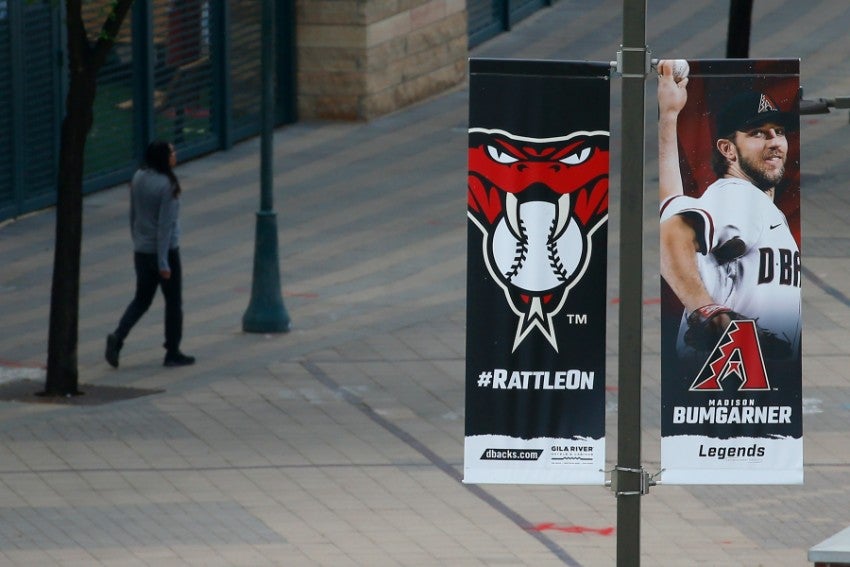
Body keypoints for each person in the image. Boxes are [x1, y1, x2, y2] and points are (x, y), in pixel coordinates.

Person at [656, 60, 801, 360]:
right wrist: (706, 311)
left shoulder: (750, 203)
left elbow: (670, 207)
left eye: (778, 131)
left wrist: (669, 117)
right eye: (758, 133)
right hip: (730, 384)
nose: (775, 142)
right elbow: (673, 233)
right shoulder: (740, 197)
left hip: (728, 385)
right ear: (727, 149)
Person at [106, 141, 195, 368]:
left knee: (141, 299)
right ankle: (172, 351)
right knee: (173, 303)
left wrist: (137, 242)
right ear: (163, 158)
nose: (176, 155)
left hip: (142, 250)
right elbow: (165, 227)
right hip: (165, 253)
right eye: (172, 152)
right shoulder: (168, 185)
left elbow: (133, 215)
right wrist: (164, 262)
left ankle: (118, 337)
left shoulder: (138, 177)